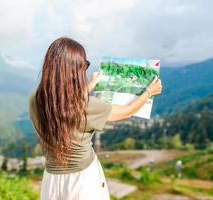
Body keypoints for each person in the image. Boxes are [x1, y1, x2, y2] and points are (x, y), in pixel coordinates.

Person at [28, 37, 162, 200]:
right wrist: (149, 91)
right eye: (84, 65)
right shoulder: (87, 107)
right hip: (82, 181)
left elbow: (63, 104)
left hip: (52, 180)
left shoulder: (35, 99)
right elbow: (127, 111)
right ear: (74, 71)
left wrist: (90, 86)